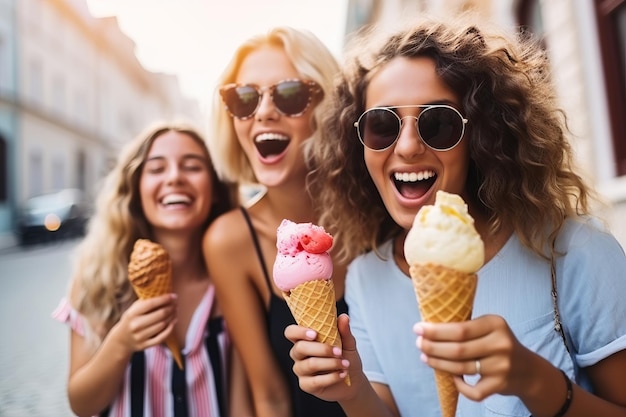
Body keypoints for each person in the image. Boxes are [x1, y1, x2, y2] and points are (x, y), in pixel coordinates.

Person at [285, 15, 626, 417]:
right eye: (382, 125)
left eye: (439, 123)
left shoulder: (576, 251)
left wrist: (538, 382)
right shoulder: (365, 277)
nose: (408, 146)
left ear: (481, 134)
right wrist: (351, 389)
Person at [52, 122, 252, 417]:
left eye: (193, 166)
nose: (174, 178)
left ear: (216, 189)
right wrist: (121, 342)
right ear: (135, 190)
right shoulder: (97, 280)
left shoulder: (233, 282)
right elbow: (82, 404)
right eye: (157, 169)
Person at [201, 27, 349, 417]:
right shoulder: (231, 241)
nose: (264, 111)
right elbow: (269, 396)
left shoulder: (378, 215)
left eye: (289, 94)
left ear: (330, 108)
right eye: (244, 98)